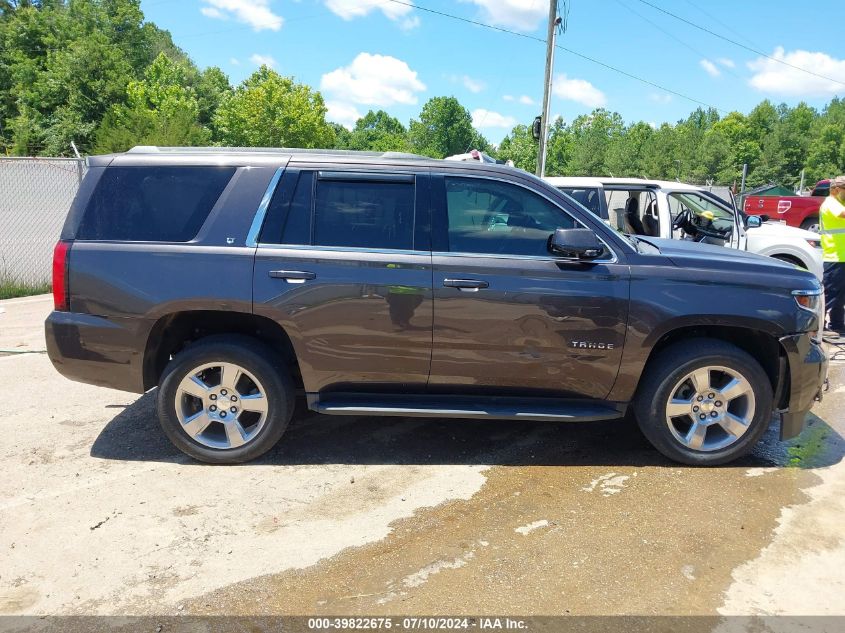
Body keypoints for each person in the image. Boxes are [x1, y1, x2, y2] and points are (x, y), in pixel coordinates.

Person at [820, 175, 845, 335]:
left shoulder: (838, 202)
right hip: (834, 257)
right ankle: (816, 327)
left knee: (840, 295)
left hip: (841, 257)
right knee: (830, 295)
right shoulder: (831, 203)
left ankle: (837, 324)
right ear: (836, 190)